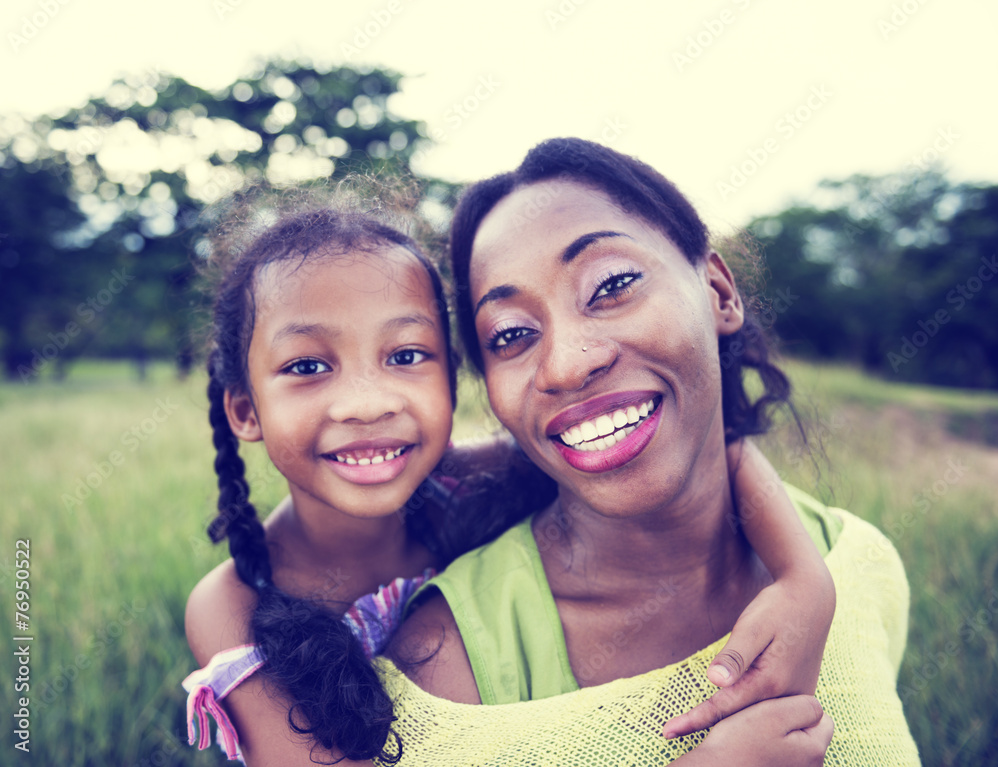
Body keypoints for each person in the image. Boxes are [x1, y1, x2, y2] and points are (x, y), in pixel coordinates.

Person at [183, 183, 836, 766]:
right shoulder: (234, 600)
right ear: (244, 408)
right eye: (306, 367)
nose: (368, 402)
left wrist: (805, 580)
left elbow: (708, 447)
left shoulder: (467, 479)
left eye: (406, 354)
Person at [384, 138, 920, 765]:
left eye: (611, 285)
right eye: (511, 335)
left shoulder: (856, 566)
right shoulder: (447, 673)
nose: (567, 364)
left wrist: (808, 577)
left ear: (719, 293)